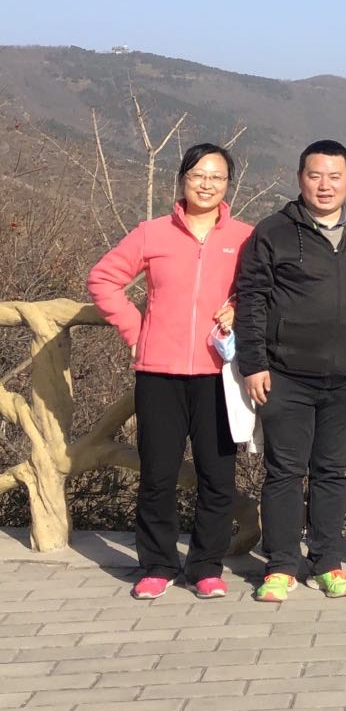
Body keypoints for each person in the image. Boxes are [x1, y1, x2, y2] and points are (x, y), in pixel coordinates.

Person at [88, 144, 253, 600]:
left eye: (217, 177)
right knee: (157, 475)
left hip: (218, 374)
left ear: (228, 185)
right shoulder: (152, 233)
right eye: (198, 174)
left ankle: (205, 567)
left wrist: (239, 307)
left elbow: (265, 289)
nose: (206, 184)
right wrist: (135, 329)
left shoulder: (245, 237)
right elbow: (103, 279)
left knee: (217, 476)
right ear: (182, 179)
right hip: (158, 373)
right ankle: (157, 565)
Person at [235, 139, 346, 602]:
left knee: (330, 472)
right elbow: (252, 300)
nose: (325, 186)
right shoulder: (274, 232)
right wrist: (254, 364)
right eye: (315, 175)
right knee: (284, 472)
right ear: (300, 178)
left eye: (334, 176)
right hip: (285, 375)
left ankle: (326, 562)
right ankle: (281, 565)